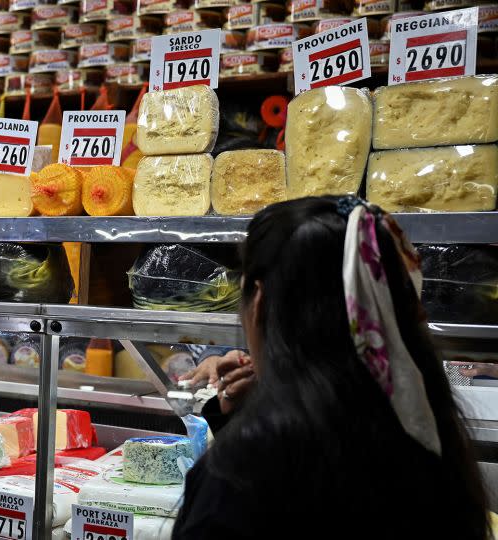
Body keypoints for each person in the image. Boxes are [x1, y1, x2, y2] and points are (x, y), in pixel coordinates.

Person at [174, 196, 489, 539]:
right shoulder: (430, 430)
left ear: (260, 302)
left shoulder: (238, 476)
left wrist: (249, 431)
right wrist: (240, 416)